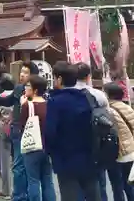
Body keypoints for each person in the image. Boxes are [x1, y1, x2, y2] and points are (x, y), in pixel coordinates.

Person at [45, 61, 101, 201]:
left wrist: (51, 152)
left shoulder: (55, 102)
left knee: (70, 195)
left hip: (65, 159)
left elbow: (50, 132)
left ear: (59, 79)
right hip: (90, 156)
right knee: (93, 195)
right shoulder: (88, 98)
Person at [0, 60, 40, 201]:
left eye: (26, 72)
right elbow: (8, 101)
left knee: (20, 166)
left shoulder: (33, 90)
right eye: (21, 71)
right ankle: (22, 194)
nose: (22, 74)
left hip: (26, 130)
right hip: (21, 131)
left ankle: (20, 196)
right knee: (23, 166)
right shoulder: (18, 89)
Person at [75, 63, 109, 201]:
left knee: (77, 184)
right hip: (96, 142)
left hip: (75, 144)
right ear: (89, 77)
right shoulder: (99, 95)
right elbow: (107, 117)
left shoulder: (69, 95)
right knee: (99, 182)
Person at [20, 75, 56, 201]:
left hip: (32, 146)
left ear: (34, 90)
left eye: (28, 86)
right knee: (48, 180)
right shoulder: (49, 104)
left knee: (33, 180)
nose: (25, 88)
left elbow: (22, 126)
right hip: (47, 146)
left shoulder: (27, 105)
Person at [103, 82, 134, 201]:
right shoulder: (127, 107)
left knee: (117, 186)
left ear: (108, 95)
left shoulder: (109, 111)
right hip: (131, 152)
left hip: (118, 154)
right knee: (129, 185)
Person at [0, 73, 15, 200]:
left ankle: (6, 191)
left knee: (5, 160)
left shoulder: (0, 97)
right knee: (17, 161)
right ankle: (18, 189)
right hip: (16, 127)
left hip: (3, 128)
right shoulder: (18, 95)